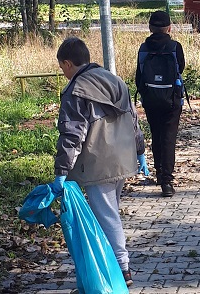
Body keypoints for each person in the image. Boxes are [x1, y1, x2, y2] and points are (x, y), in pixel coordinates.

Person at [51, 37, 148, 287]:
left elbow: (72, 133)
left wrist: (61, 171)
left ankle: (122, 268)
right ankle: (111, 267)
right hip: (122, 158)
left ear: (68, 63)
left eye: (62, 68)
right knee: (109, 212)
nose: (63, 73)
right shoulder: (113, 79)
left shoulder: (77, 89)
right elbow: (133, 118)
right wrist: (140, 151)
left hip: (98, 163)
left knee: (107, 216)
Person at [135, 11, 185, 197]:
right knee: (168, 138)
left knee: (156, 135)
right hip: (171, 99)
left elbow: (138, 75)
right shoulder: (175, 46)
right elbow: (181, 67)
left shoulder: (143, 48)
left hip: (150, 99)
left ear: (149, 28)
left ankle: (158, 172)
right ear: (169, 28)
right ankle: (167, 181)